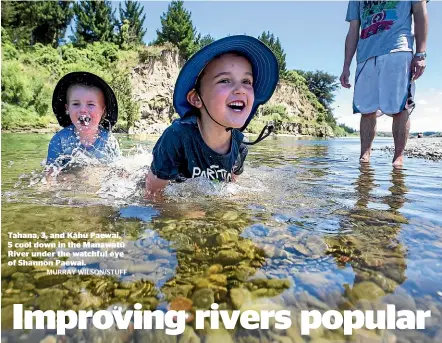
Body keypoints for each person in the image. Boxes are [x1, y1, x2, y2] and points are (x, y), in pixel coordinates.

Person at [145, 35, 279, 195]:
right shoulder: (177, 138)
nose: (241, 89)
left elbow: (230, 188)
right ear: (196, 98)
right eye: (225, 80)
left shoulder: (240, 145)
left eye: (247, 81)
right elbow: (152, 195)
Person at [340, 0, 428, 167]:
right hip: (365, 56)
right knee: (366, 109)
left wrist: (421, 53)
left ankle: (398, 160)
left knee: (401, 107)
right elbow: (353, 30)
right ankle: (364, 158)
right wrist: (346, 65)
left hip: (398, 50)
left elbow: (420, 12)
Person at [46, 72, 120, 173]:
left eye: (90, 104)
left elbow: (117, 173)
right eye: (76, 104)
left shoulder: (109, 142)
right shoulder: (60, 140)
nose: (83, 110)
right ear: (67, 109)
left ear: (103, 111)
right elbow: (50, 175)